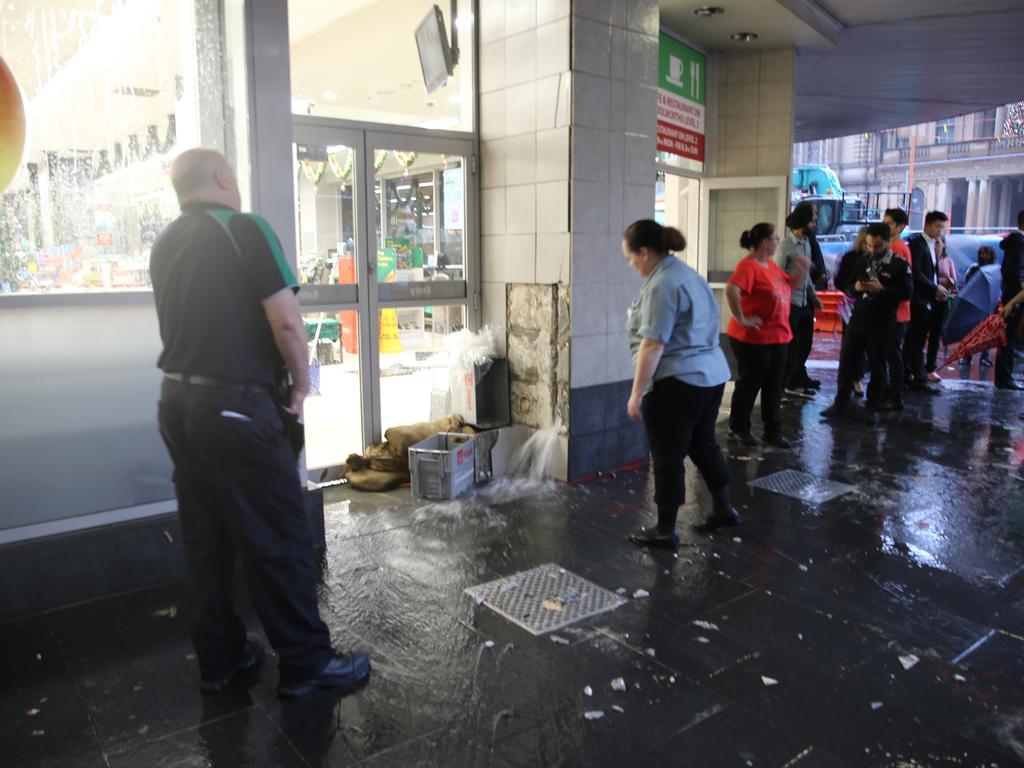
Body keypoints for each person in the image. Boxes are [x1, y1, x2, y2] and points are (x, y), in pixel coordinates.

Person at [151, 148, 370, 698]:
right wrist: (301, 386)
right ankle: (307, 665)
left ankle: (221, 661)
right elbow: (287, 324)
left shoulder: (166, 242)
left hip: (178, 403)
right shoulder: (245, 229)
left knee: (207, 542)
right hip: (237, 407)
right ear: (223, 177)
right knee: (277, 536)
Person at [622, 220, 738, 547]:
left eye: (631, 258)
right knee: (703, 444)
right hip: (711, 376)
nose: (631, 265)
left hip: (678, 381)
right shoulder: (688, 275)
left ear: (644, 252)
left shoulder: (662, 285)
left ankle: (664, 530)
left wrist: (637, 393)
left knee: (667, 455)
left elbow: (653, 344)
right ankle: (724, 509)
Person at [725, 223, 808, 449]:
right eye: (776, 238)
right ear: (764, 242)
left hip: (778, 336)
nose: (778, 242)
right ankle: (738, 428)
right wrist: (742, 318)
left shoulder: (769, 265)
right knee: (750, 383)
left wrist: (802, 271)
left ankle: (773, 431)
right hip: (752, 338)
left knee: (774, 385)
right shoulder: (749, 266)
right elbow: (731, 290)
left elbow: (789, 285)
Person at [821, 223, 912, 418]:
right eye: (869, 245)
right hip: (858, 318)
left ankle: (872, 407)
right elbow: (849, 286)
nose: (872, 250)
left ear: (887, 242)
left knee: (878, 366)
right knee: (847, 362)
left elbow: (907, 293)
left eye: (877, 246)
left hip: (882, 322)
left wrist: (883, 289)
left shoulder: (899, 265)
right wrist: (856, 287)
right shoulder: (862, 260)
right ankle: (841, 402)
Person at [778, 202, 823, 399]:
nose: (814, 224)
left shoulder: (806, 242)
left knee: (805, 345)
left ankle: (795, 382)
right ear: (803, 221)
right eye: (812, 220)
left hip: (805, 303)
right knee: (790, 349)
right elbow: (777, 276)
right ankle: (783, 386)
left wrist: (813, 297)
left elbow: (806, 277)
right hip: (790, 305)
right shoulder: (786, 245)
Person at [904, 210, 950, 394]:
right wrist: (934, 288)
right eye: (938, 226)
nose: (940, 231)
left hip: (927, 299)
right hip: (918, 300)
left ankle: (910, 374)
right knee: (915, 340)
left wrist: (937, 287)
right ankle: (917, 378)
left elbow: (931, 271)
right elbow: (916, 273)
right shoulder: (918, 244)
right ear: (928, 225)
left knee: (916, 340)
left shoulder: (933, 245)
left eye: (943, 227)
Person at [833, 227, 870, 398]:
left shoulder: (873, 259)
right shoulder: (851, 258)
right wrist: (853, 288)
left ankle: (856, 377)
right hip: (850, 306)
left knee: (863, 345)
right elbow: (840, 281)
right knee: (850, 346)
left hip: (866, 306)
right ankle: (850, 379)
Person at [882, 208, 912, 408]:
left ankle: (895, 396)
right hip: (892, 311)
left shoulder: (899, 249)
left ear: (900, 227)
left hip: (897, 312)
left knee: (893, 355)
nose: (885, 226)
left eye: (889, 223)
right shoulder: (893, 245)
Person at [996, 210, 1024, 390]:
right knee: (1007, 338)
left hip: (1011, 295)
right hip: (1015, 297)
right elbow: (1015, 271)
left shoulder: (1014, 242)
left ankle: (1004, 376)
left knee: (1008, 338)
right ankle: (1004, 378)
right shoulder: (1019, 243)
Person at [925, 236, 957, 382]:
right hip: (926, 300)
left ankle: (930, 367)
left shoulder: (948, 261)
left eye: (938, 242)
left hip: (941, 301)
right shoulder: (927, 258)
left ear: (944, 245)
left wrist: (944, 281)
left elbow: (953, 282)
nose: (936, 245)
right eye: (934, 242)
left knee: (935, 336)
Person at [960, 246, 997, 369]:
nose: (984, 256)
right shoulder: (974, 268)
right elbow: (968, 284)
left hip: (989, 305)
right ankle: (966, 356)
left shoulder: (995, 269)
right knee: (971, 332)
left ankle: (984, 357)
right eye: (981, 253)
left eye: (986, 254)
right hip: (974, 305)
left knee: (987, 332)